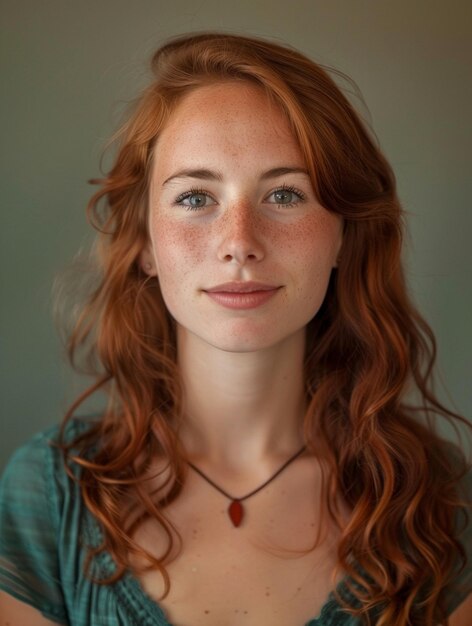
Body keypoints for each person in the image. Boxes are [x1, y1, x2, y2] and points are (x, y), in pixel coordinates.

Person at [0, 31, 470, 626]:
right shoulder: (49, 495)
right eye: (196, 197)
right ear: (144, 241)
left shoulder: (434, 495)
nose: (239, 243)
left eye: (284, 193)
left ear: (343, 236)